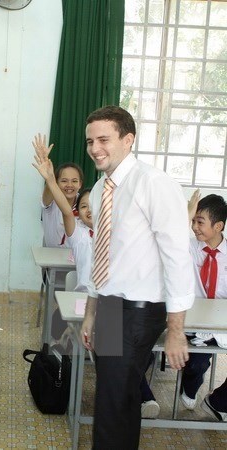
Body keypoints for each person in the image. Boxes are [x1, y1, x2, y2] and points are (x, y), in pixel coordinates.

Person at [78, 106, 194, 449]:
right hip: (111, 305)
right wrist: (91, 311)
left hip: (142, 309)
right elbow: (104, 257)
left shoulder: (155, 184)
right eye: (89, 141)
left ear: (128, 140)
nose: (95, 148)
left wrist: (176, 331)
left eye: (104, 139)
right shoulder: (100, 190)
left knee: (112, 401)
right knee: (120, 397)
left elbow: (177, 257)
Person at [32, 153, 161, 418]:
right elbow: (65, 209)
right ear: (79, 211)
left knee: (130, 347)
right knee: (114, 350)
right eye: (85, 206)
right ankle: (130, 395)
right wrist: (49, 178)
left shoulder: (119, 235)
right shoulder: (78, 234)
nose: (91, 210)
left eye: (96, 205)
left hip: (115, 304)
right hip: (85, 304)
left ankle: (129, 392)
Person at [179, 193, 227, 421]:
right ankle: (189, 385)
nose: (194, 227)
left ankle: (218, 401)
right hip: (192, 321)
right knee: (197, 363)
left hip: (220, 322)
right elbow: (170, 237)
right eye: (193, 221)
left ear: (218, 226)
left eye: (200, 222)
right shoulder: (187, 247)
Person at [32, 134, 84, 248]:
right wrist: (49, 177)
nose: (69, 185)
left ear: (80, 184)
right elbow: (49, 189)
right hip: (52, 263)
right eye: (64, 181)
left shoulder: (85, 202)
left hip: (78, 262)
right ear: (57, 182)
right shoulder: (50, 202)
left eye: (74, 181)